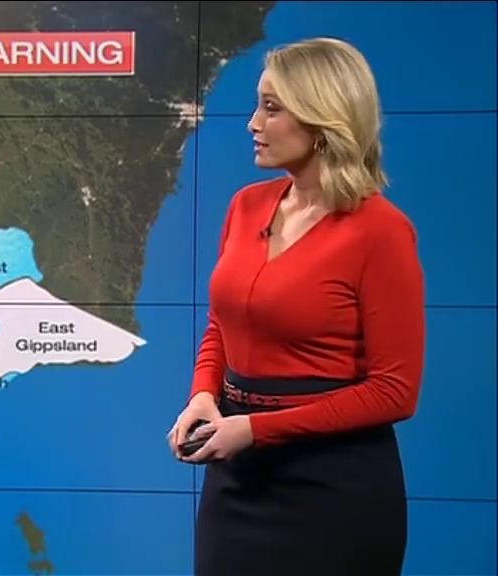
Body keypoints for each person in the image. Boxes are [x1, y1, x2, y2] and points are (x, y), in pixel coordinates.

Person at [167, 37, 426, 576]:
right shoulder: (246, 206)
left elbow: (394, 391)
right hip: (236, 475)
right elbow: (222, 323)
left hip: (333, 487)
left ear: (322, 120)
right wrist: (203, 396)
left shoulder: (381, 232)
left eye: (272, 107)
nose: (252, 123)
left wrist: (256, 430)